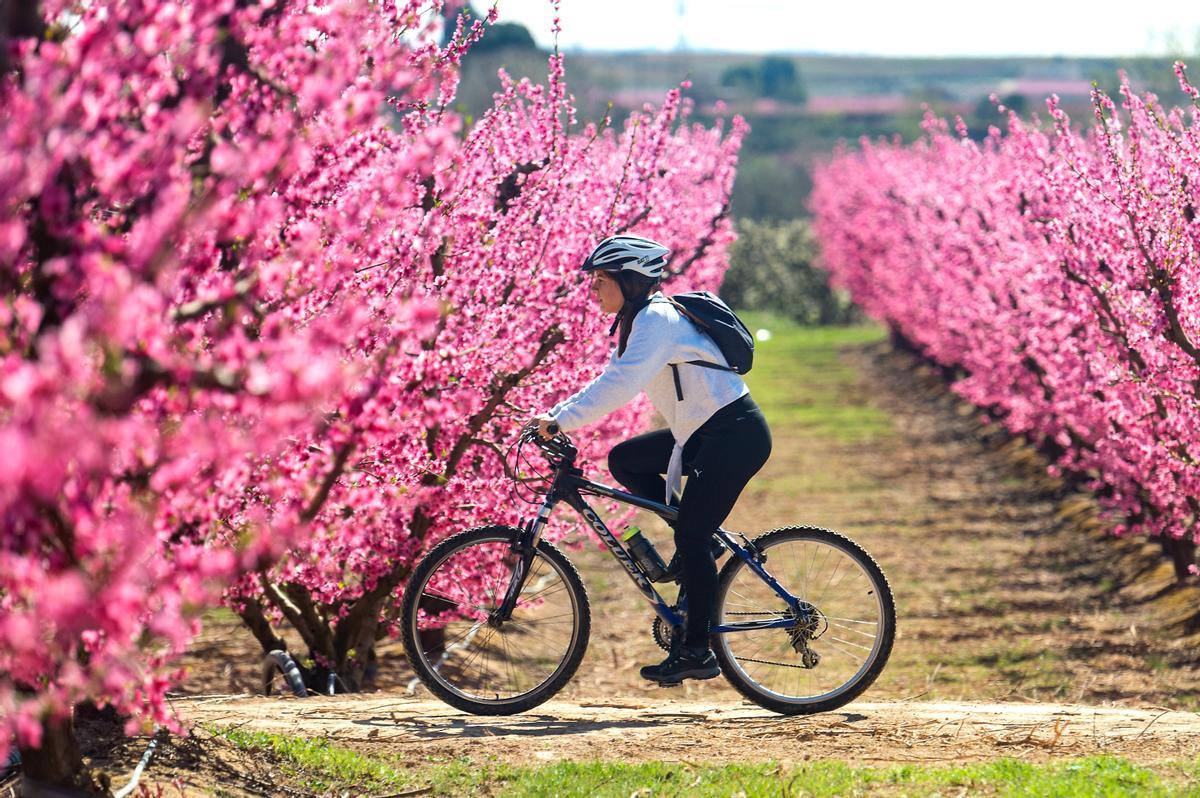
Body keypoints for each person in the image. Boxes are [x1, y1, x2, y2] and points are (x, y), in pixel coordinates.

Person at [530, 234, 772, 685]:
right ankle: (697, 539)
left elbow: (622, 384)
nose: (593, 288)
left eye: (601, 279)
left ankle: (697, 651)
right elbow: (612, 378)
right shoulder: (638, 319)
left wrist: (560, 419)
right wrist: (558, 415)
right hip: (701, 432)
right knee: (625, 460)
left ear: (630, 278)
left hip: (732, 433)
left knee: (694, 537)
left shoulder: (657, 318)